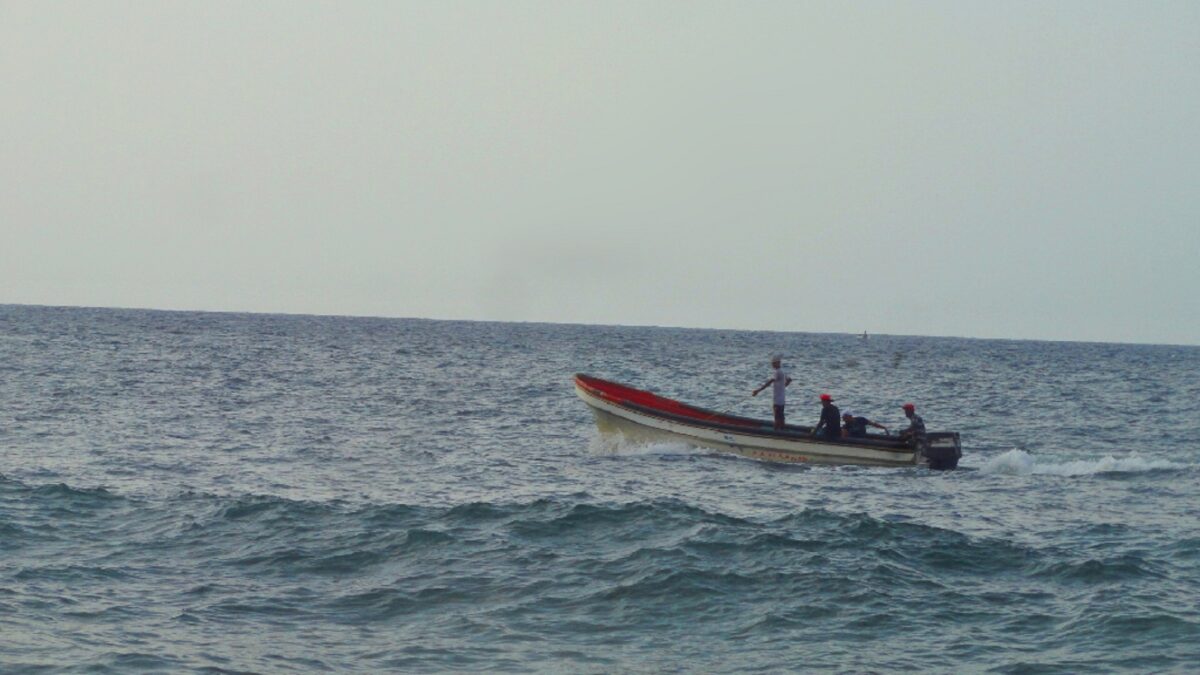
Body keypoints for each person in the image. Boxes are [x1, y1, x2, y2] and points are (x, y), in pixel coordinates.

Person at [752, 355, 792, 429]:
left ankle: (776, 432)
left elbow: (770, 382)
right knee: (781, 417)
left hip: (777, 400)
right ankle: (782, 430)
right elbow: (789, 380)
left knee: (777, 417)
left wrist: (758, 391)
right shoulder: (783, 371)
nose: (772, 365)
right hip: (782, 399)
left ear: (778, 363)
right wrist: (783, 387)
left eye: (773, 363)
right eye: (772, 363)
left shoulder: (777, 372)